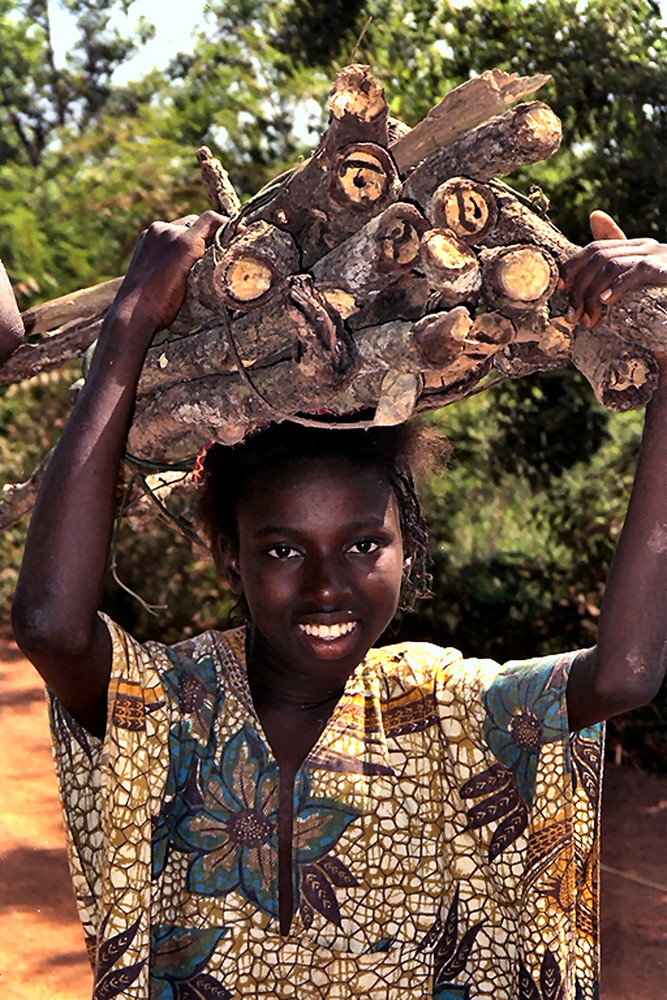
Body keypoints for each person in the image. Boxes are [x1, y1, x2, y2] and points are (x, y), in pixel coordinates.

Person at [10, 208, 667, 1000]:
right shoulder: (175, 704)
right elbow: (50, 624)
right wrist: (128, 324)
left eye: (363, 546)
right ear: (229, 553)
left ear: (406, 548)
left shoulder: (442, 707)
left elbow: (625, 672)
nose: (327, 586)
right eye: (283, 550)